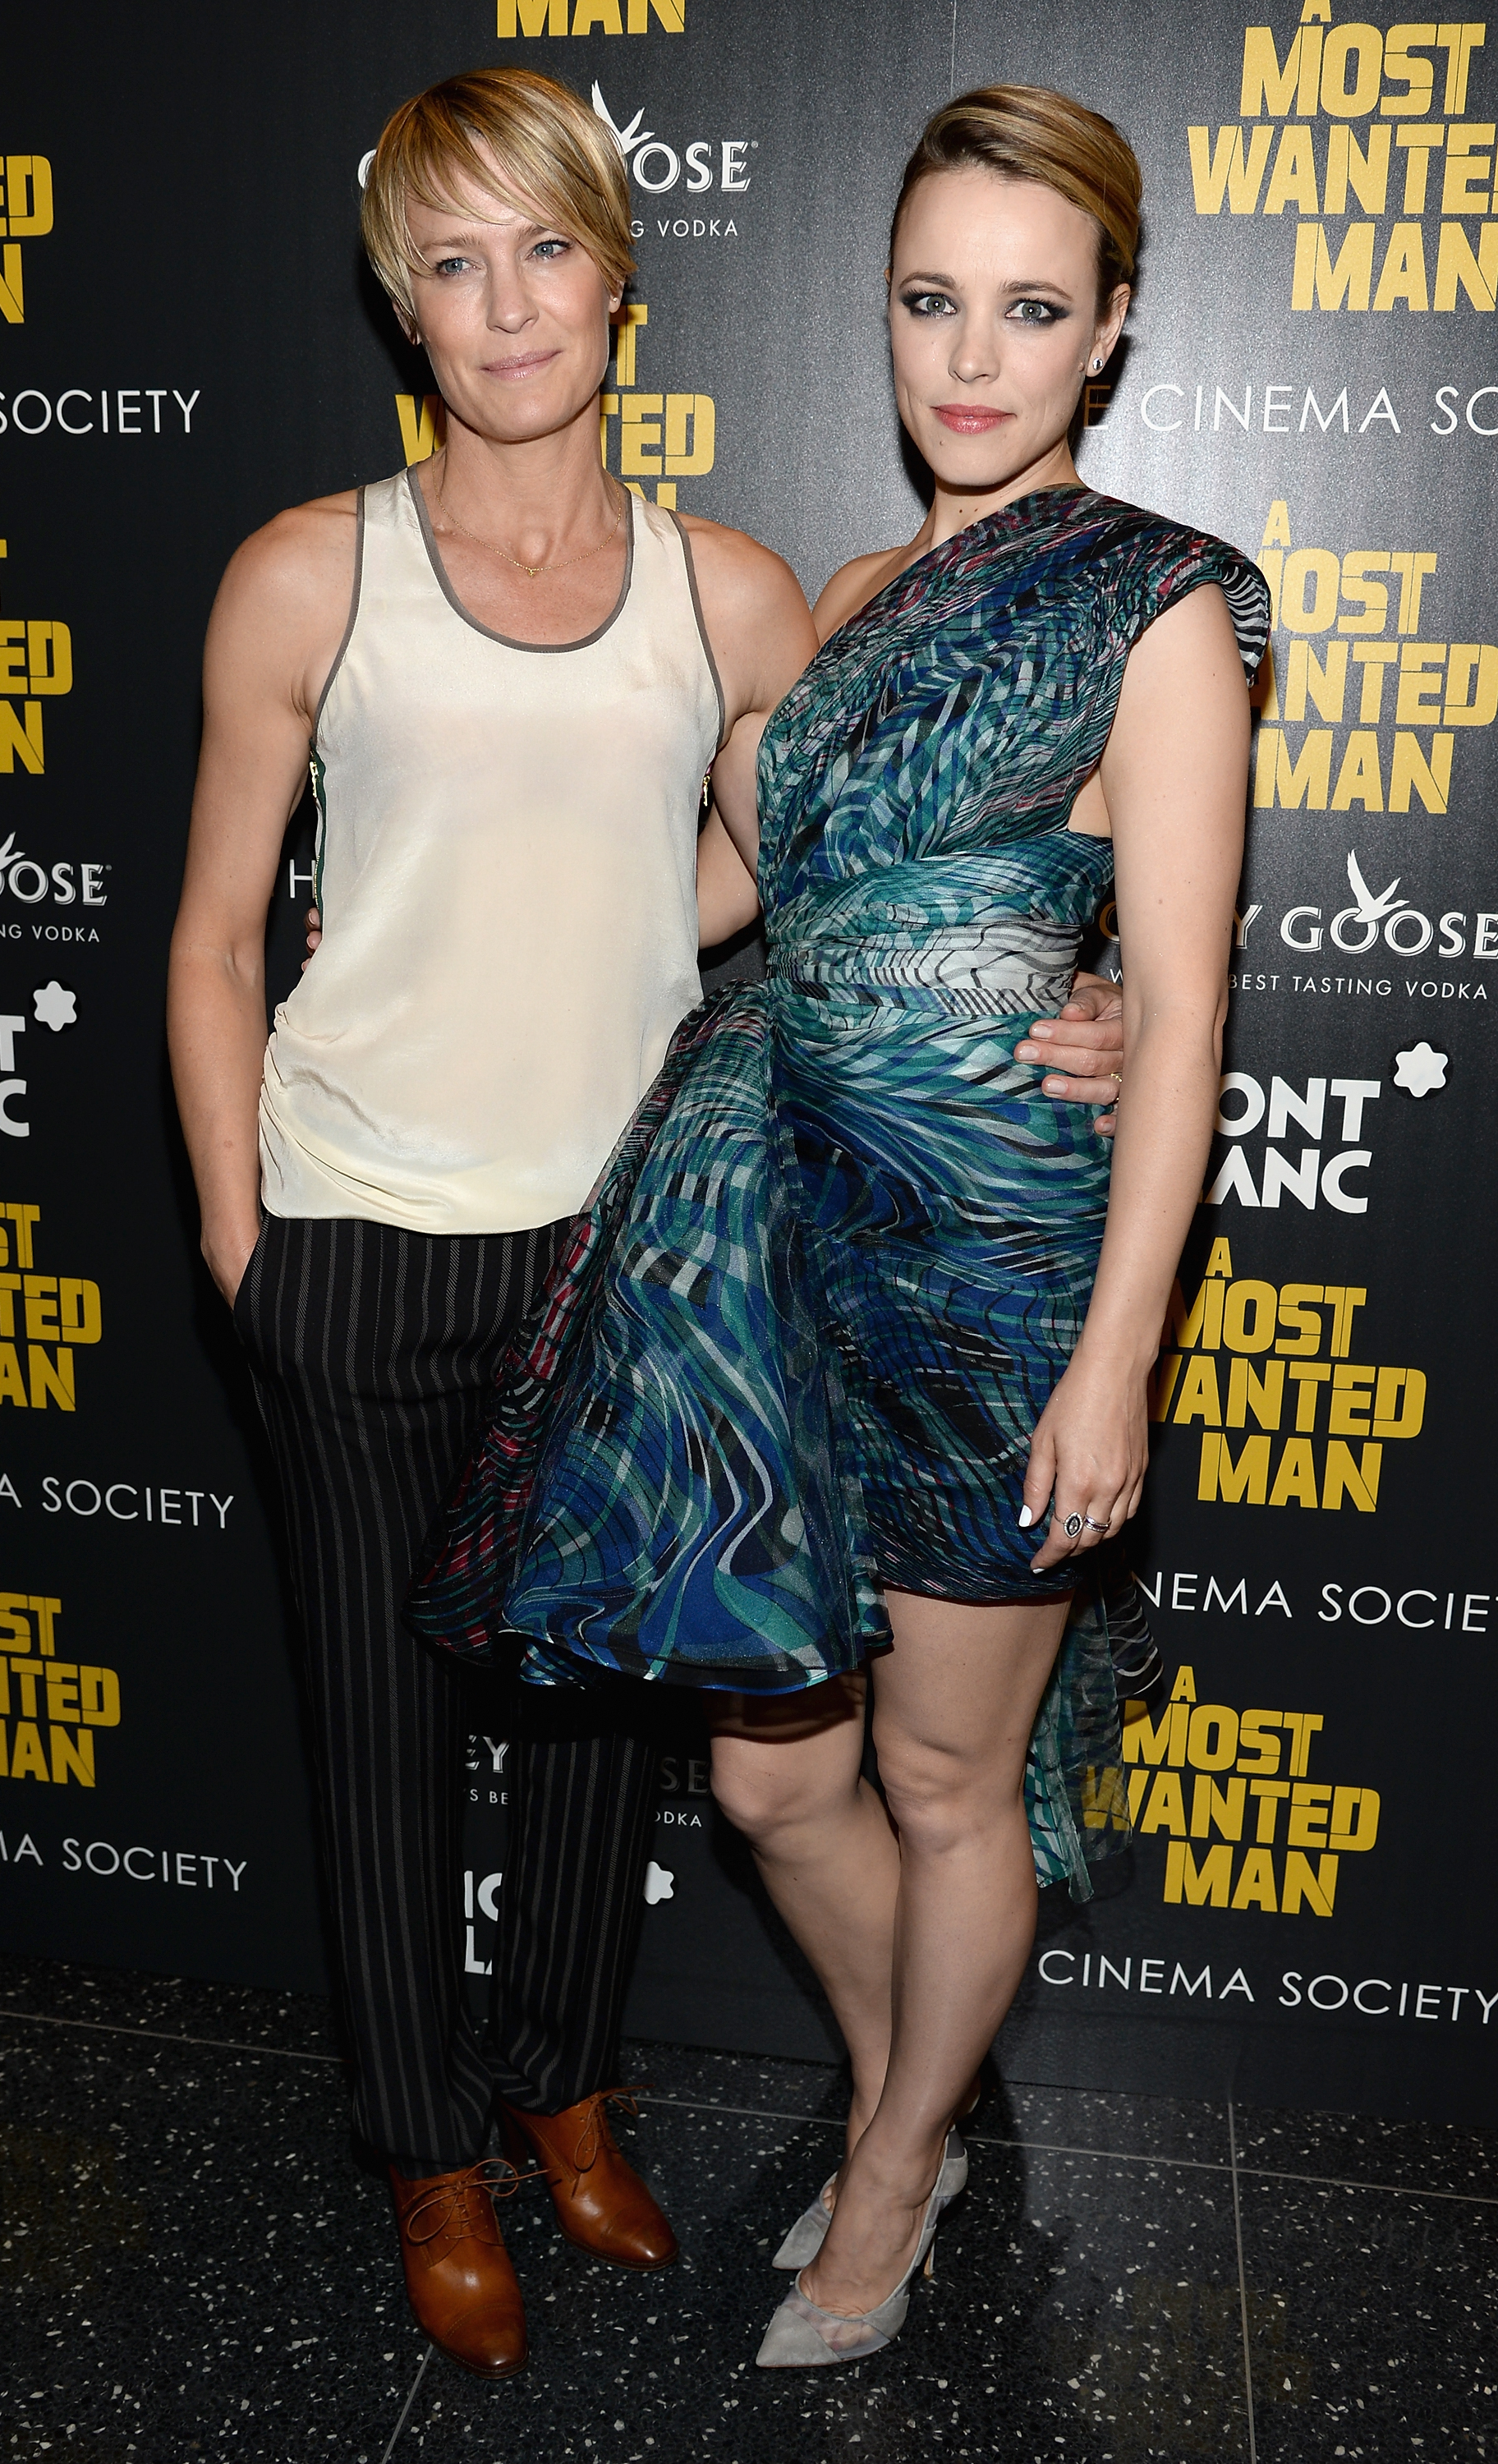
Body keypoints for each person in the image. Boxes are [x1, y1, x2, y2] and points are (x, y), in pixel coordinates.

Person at [167, 67, 1127, 2381]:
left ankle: (563, 2090)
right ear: (404, 304)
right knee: (383, 1741)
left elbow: (869, 865)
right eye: (453, 264)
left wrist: (1068, 985)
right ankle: (427, 2149)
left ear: (619, 278)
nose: (507, 307)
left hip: (631, 1246)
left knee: (608, 1741)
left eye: (546, 251)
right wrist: (242, 1245)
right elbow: (208, 942)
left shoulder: (736, 592)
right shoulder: (308, 571)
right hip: (358, 1230)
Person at [409, 84, 1267, 2371]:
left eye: (1030, 311)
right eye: (929, 301)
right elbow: (728, 900)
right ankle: (921, 2096)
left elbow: (1181, 1010)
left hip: (998, 1270)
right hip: (781, 1254)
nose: (971, 360)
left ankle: (889, 2182)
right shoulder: (851, 597)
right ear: (880, 310)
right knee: (777, 1776)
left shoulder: (1161, 603)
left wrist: (1117, 1358)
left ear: (1107, 333)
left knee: (944, 1776)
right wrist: (456, 905)